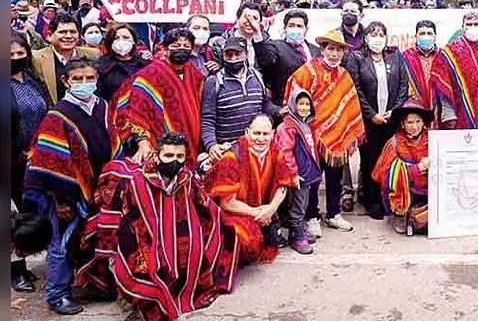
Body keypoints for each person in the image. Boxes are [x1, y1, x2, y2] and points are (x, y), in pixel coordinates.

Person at [77, 132, 239, 321]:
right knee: (148, 268)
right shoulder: (136, 182)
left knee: (199, 249)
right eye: (169, 156)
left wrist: (224, 225)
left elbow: (204, 207)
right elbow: (123, 220)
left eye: (180, 156)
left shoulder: (186, 179)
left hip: (178, 237)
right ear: (156, 155)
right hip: (144, 239)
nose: (174, 161)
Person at [23, 57, 122, 315]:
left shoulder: (102, 106)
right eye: (78, 79)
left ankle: (93, 282)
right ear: (66, 81)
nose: (84, 83)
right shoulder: (56, 116)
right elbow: (46, 161)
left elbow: (114, 141)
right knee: (61, 243)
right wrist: (60, 200)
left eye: (89, 78)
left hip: (98, 186)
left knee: (91, 236)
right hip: (64, 193)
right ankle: (57, 295)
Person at [286, 29, 364, 233]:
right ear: (322, 49)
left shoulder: (344, 75)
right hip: (311, 136)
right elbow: (292, 99)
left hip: (337, 136)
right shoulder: (307, 71)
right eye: (331, 49)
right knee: (312, 179)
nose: (335, 54)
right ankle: (312, 216)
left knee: (335, 177)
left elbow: (351, 105)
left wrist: (347, 131)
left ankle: (333, 214)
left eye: (339, 50)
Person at [205, 114, 296, 265]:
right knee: (244, 238)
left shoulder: (275, 152)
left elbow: (284, 184)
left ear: (273, 134)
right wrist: (258, 213)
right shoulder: (232, 156)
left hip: (263, 212)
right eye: (256, 133)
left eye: (266, 134)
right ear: (247, 132)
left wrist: (271, 209)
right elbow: (226, 203)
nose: (261, 139)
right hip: (234, 214)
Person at [344, 22, 409, 220]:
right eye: (373, 34)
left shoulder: (395, 56)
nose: (378, 38)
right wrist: (372, 114)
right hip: (368, 120)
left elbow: (403, 85)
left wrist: (394, 111)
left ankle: (387, 198)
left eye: (381, 34)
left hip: (391, 119)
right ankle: (371, 201)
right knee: (370, 160)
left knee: (390, 159)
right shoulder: (357, 57)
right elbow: (355, 88)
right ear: (366, 37)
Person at [119, 28, 205, 164]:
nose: (181, 49)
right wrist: (142, 142)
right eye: (176, 46)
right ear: (165, 49)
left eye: (186, 46)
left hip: (191, 139)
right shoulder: (149, 75)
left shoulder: (196, 75)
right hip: (159, 140)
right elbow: (136, 113)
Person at [10, 32, 49, 293]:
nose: (15, 58)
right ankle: (14, 270)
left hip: (35, 159)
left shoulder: (33, 81)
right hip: (10, 159)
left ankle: (24, 261)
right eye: (10, 54)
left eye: (20, 53)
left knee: (28, 212)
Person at [201, 37, 281, 162]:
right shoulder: (213, 82)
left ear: (246, 54)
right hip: (227, 152)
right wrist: (211, 145)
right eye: (229, 55)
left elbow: (264, 104)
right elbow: (207, 119)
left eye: (237, 54)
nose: (233, 59)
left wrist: (279, 111)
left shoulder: (257, 76)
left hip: (254, 148)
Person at [431, 11, 478, 130]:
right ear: (463, 27)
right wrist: (448, 113)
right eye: (469, 24)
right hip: (460, 112)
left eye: (476, 24)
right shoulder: (451, 50)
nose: (473, 27)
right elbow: (442, 82)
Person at [372, 102, 432, 235]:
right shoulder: (394, 143)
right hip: (405, 190)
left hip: (429, 186)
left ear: (423, 123)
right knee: (397, 171)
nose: (415, 126)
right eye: (410, 122)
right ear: (402, 124)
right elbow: (384, 174)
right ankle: (400, 213)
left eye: (418, 121)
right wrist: (416, 169)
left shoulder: (432, 140)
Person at [275, 91, 323, 254]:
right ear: (292, 105)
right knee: (298, 205)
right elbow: (285, 152)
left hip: (306, 174)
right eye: (300, 104)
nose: (304, 107)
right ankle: (296, 236)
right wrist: (293, 173)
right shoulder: (287, 126)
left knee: (303, 203)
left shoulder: (305, 124)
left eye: (307, 104)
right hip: (298, 175)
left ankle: (298, 230)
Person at [31, 12, 101, 105]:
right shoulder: (36, 58)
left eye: (73, 32)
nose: (68, 36)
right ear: (50, 35)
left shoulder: (93, 55)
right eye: (62, 32)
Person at [256, 8, 321, 105]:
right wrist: (257, 35)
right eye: (291, 25)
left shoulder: (315, 50)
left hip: (311, 104)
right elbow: (266, 59)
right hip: (284, 103)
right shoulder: (276, 46)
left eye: (299, 26)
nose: (295, 28)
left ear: (306, 29)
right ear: (285, 28)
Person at [95, 23, 151, 103]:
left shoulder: (144, 63)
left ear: (134, 41)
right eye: (116, 38)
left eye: (126, 37)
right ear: (110, 42)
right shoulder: (101, 66)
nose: (121, 41)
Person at [210, 2, 269, 71]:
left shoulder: (267, 41)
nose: (250, 22)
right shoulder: (221, 42)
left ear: (260, 21)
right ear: (238, 19)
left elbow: (268, 64)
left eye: (255, 18)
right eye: (247, 18)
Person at [401, 20, 439, 110]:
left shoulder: (443, 56)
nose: (426, 36)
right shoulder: (405, 57)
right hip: (414, 108)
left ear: (435, 36)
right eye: (422, 34)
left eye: (429, 33)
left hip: (440, 106)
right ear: (416, 36)